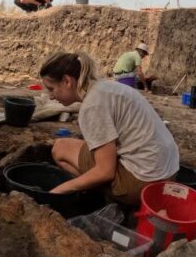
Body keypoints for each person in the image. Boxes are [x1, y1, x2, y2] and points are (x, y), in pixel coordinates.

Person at [40, 52, 179, 206]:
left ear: (67, 81)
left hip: (143, 185)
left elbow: (105, 171)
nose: (51, 96)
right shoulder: (106, 87)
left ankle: (101, 196)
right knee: (83, 148)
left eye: (51, 89)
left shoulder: (92, 106)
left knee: (60, 149)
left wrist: (59, 190)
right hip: (168, 175)